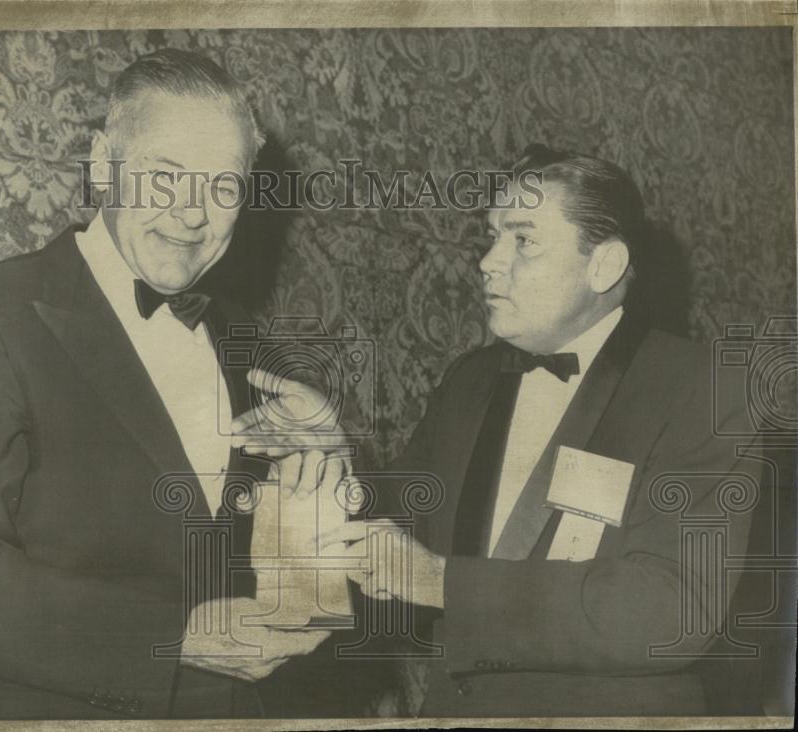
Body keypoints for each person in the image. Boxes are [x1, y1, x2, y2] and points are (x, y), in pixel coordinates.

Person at [238, 145, 761, 716]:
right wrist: (332, 459)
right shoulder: (472, 379)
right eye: (491, 237)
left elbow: (674, 608)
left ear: (604, 265)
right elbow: (399, 525)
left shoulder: (703, 387)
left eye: (524, 240)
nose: (488, 261)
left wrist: (443, 584)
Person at [0, 48, 329, 721]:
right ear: (101, 162)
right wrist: (173, 637)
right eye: (167, 176)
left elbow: (296, 584)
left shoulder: (250, 354)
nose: (193, 215)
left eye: (223, 186)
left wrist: (329, 471)